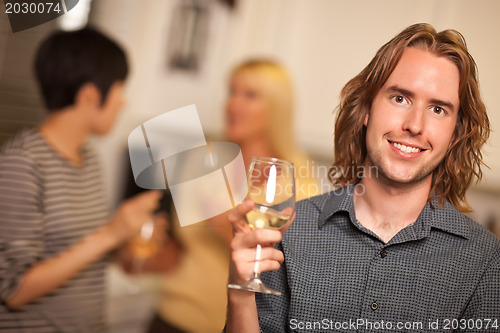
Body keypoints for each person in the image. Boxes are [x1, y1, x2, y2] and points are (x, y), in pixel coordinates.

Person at [226, 23, 500, 332]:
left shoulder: (486, 259)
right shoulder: (290, 229)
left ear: (454, 134)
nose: (415, 125)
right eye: (400, 99)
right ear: (367, 108)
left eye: (438, 109)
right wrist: (240, 295)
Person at [137, 60, 319, 333]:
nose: (233, 105)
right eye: (232, 92)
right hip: (172, 317)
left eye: (249, 95)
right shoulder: (202, 159)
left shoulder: (300, 180)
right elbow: (177, 244)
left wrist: (225, 223)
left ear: (276, 107)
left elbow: (288, 267)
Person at [0, 28, 160, 332]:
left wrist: (127, 238)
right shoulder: (22, 162)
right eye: (118, 90)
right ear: (89, 95)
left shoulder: (88, 158)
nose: (123, 102)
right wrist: (110, 234)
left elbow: (81, 253)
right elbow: (13, 290)